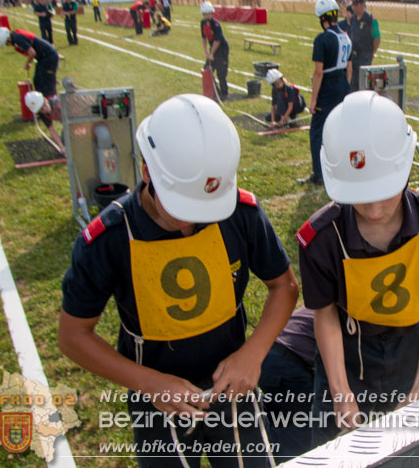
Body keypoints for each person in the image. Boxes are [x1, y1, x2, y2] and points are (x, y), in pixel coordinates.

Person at [58, 94, 299, 467]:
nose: (190, 222)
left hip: (232, 385)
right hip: (156, 396)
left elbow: (283, 285)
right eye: (181, 206)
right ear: (147, 170)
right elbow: (73, 335)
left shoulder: (238, 211)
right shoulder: (109, 237)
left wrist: (253, 354)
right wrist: (149, 382)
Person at [296, 90, 419, 445]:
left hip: (411, 349)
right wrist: (340, 391)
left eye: (385, 191)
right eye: (359, 195)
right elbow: (325, 314)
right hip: (345, 352)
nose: (374, 210)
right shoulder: (321, 238)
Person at [303, 0, 352, 185]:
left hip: (328, 88)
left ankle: (319, 174)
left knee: (317, 132)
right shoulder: (346, 37)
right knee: (338, 130)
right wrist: (345, 87)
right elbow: (349, 68)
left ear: (322, 18)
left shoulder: (322, 39)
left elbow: (318, 73)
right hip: (343, 86)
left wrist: (313, 100)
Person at [257, 307, 315, 459]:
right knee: (318, 422)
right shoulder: (346, 316)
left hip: (265, 356)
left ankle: (254, 415)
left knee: (285, 407)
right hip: (286, 364)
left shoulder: (323, 303)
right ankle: (265, 448)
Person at [0, 27, 59, 98]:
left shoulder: (18, 39)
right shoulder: (16, 35)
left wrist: (28, 63)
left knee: (45, 81)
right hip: (44, 57)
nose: (8, 45)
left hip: (48, 56)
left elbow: (32, 53)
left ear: (8, 39)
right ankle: (43, 101)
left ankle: (53, 102)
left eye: (6, 43)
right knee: (38, 80)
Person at [347, 0, 381, 90]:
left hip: (365, 56)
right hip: (354, 56)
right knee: (353, 83)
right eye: (353, 5)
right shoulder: (353, 19)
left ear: (362, 4)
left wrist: (372, 52)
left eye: (356, 5)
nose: (353, 7)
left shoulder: (370, 20)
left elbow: (377, 38)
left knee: (363, 82)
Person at [200, 1, 230, 101]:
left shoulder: (216, 24)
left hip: (221, 49)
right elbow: (204, 38)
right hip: (212, 48)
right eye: (206, 14)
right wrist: (206, 52)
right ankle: (213, 90)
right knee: (207, 70)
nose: (208, 16)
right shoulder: (203, 23)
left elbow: (217, 41)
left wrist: (211, 54)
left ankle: (224, 93)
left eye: (209, 13)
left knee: (221, 72)